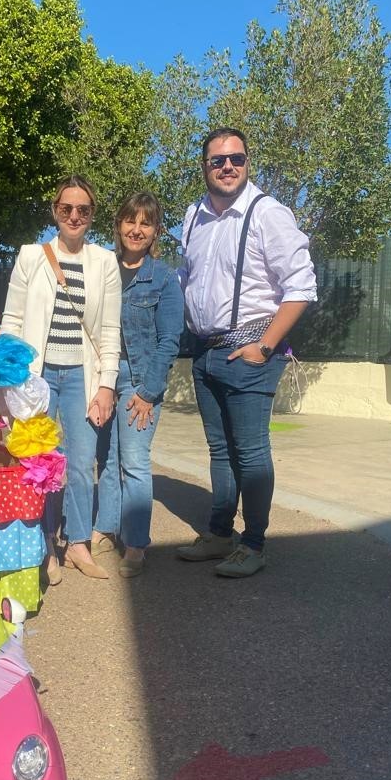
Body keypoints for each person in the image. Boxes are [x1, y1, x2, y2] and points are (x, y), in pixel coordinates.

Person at [175, 127, 317, 577]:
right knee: (220, 450)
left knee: (251, 452)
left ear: (247, 162)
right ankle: (220, 534)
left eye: (236, 158)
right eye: (218, 160)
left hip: (251, 350)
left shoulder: (267, 213)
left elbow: (302, 286)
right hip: (206, 351)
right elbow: (187, 278)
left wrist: (266, 345)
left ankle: (253, 544)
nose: (228, 166)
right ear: (205, 167)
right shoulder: (193, 215)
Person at [0, 174, 121, 581]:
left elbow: (108, 330)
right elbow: (12, 320)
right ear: (55, 211)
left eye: (83, 210)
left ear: (92, 216)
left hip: (81, 377)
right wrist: (10, 377)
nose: (74, 216)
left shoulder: (105, 263)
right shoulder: (31, 256)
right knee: (41, 463)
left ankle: (80, 545)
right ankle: (46, 547)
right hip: (38, 375)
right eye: (66, 208)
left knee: (83, 461)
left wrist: (106, 386)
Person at [93, 191, 184, 577]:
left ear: (155, 231)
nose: (136, 229)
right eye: (130, 220)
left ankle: (135, 543)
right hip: (104, 378)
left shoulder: (163, 277)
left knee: (133, 461)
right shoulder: (103, 269)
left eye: (145, 223)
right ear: (118, 226)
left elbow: (170, 341)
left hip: (139, 380)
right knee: (107, 460)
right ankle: (104, 526)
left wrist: (148, 392)